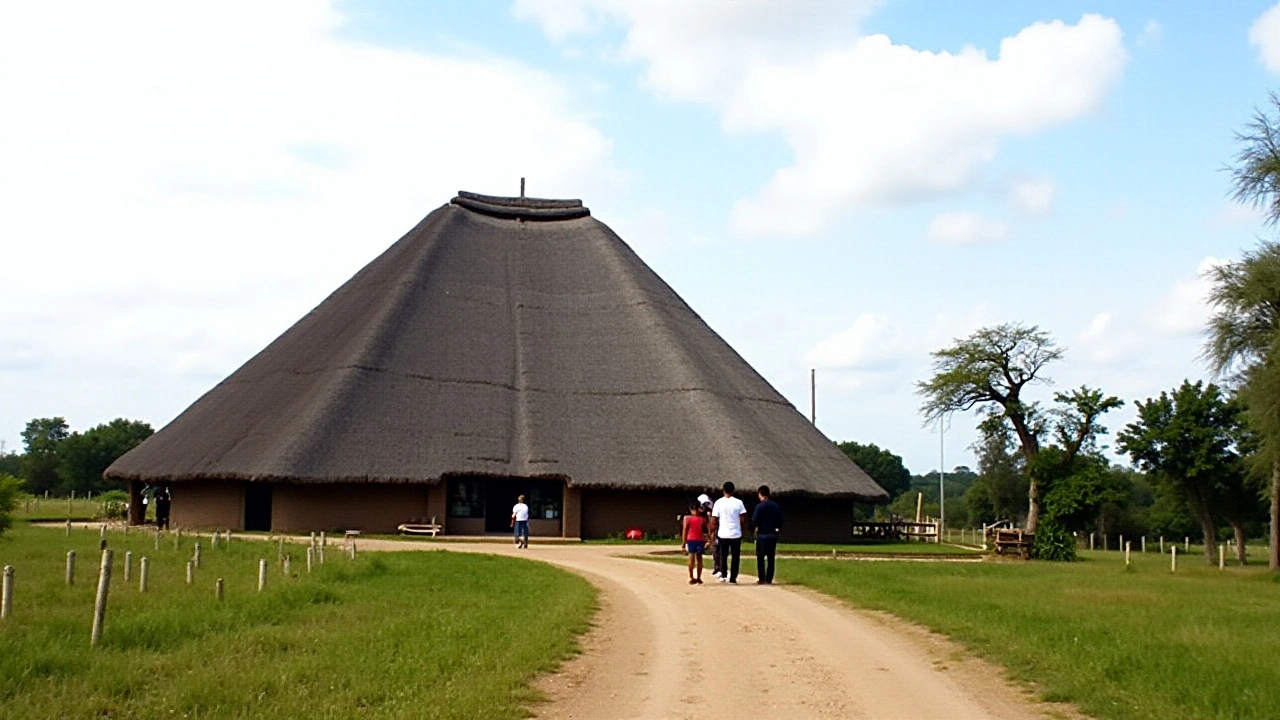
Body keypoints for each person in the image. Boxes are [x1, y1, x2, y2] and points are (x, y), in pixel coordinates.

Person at [710, 482, 747, 583]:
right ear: (733, 491)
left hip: (723, 533)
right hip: (736, 533)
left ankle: (724, 574)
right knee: (735, 556)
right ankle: (733, 577)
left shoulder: (718, 502)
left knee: (723, 555)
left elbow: (714, 519)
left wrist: (713, 531)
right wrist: (742, 529)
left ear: (723, 490)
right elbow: (742, 518)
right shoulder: (739, 502)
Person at [751, 485, 783, 584]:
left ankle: (761, 578)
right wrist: (776, 528)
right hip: (772, 535)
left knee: (760, 558)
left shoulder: (759, 507)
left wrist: (755, 528)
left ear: (760, 494)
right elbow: (780, 521)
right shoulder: (775, 506)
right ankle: (769, 578)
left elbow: (754, 520)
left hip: (762, 535)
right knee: (771, 558)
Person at [681, 500, 708, 585]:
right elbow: (708, 529)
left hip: (691, 539)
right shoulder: (702, 519)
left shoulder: (687, 518)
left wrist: (683, 543)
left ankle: (691, 576)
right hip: (700, 540)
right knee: (699, 559)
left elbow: (685, 530)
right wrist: (708, 540)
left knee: (691, 557)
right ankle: (699, 577)